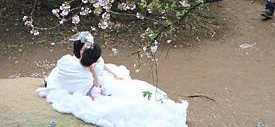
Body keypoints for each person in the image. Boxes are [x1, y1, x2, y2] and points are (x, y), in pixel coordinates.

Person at [37, 32, 188, 127]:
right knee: (131, 91)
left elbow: (94, 67)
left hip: (86, 75)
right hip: (98, 78)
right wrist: (100, 73)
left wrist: (109, 73)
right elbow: (99, 70)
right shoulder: (90, 76)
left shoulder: (65, 61)